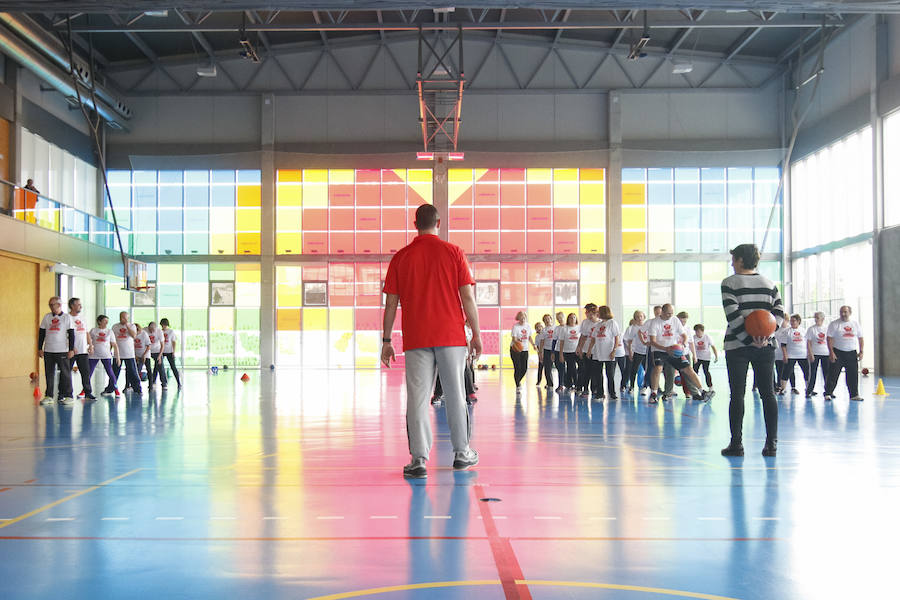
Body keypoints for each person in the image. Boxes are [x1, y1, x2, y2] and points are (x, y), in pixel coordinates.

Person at [381, 203, 481, 479]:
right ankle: (462, 453)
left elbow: (391, 304)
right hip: (451, 336)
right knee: (456, 395)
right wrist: (477, 333)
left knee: (418, 398)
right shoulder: (454, 253)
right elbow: (467, 297)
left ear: (415, 224)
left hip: (417, 338)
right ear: (439, 222)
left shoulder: (401, 257)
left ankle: (418, 459)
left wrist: (386, 340)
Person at [720, 243, 784, 458]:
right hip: (765, 347)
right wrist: (766, 337)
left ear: (739, 260)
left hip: (737, 347)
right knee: (768, 394)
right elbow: (779, 315)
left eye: (733, 259)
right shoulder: (770, 283)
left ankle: (736, 445)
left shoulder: (729, 283)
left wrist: (749, 339)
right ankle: (771, 445)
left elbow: (732, 315)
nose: (731, 263)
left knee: (737, 394)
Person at [647, 304, 714, 405]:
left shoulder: (675, 320)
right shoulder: (655, 322)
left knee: (688, 369)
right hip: (659, 350)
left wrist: (682, 344)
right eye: (668, 313)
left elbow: (684, 335)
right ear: (663, 312)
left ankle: (702, 392)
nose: (670, 315)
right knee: (658, 369)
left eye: (672, 313)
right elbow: (652, 341)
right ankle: (653, 394)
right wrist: (666, 348)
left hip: (674, 350)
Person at [37, 296, 75, 405]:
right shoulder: (47, 317)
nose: (50, 307)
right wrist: (40, 348)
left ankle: (68, 395)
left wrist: (71, 349)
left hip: (62, 350)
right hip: (49, 350)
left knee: (65, 373)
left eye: (52, 304)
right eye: (49, 305)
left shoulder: (67, 318)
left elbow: (71, 334)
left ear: (59, 305)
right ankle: (49, 395)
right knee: (49, 373)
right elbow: (41, 333)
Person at [825, 305, 864, 401]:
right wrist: (831, 352)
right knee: (833, 374)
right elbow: (829, 338)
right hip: (838, 352)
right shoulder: (834, 324)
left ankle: (854, 395)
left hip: (851, 353)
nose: (843, 314)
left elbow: (860, 338)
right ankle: (828, 393)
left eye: (845, 312)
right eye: (841, 312)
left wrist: (861, 351)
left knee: (853, 375)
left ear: (850, 313)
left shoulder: (855, 324)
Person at [585, 305, 620, 400]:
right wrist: (589, 350)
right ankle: (600, 393)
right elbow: (593, 339)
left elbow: (617, 337)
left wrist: (614, 350)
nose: (597, 314)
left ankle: (612, 393)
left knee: (610, 374)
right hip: (597, 353)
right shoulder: (598, 325)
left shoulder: (612, 323)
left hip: (608, 352)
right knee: (598, 374)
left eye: (598, 312)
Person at [67, 297, 95, 401]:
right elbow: (65, 335)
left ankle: (88, 392)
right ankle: (65, 394)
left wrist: (90, 345)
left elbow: (86, 332)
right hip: (71, 351)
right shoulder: (67, 318)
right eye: (78, 304)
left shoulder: (83, 318)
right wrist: (71, 347)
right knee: (66, 373)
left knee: (85, 372)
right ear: (72, 306)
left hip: (83, 351)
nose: (80, 306)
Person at [112, 311, 142, 396]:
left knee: (132, 371)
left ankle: (137, 388)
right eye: (121, 317)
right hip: (118, 354)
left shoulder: (132, 326)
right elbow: (112, 339)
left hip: (129, 354)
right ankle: (111, 388)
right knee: (114, 372)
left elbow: (134, 336)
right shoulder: (115, 326)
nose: (123, 319)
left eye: (125, 318)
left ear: (127, 318)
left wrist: (127, 326)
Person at [88, 315, 119, 396]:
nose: (106, 323)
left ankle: (116, 389)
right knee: (89, 373)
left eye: (107, 321)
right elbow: (88, 339)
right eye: (105, 321)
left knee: (110, 372)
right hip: (94, 355)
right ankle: (84, 390)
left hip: (106, 355)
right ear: (99, 321)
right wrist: (90, 346)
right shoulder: (93, 330)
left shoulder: (109, 331)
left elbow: (114, 345)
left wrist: (118, 357)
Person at [779, 314, 809, 395]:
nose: (792, 322)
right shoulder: (786, 332)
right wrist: (785, 355)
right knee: (787, 371)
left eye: (794, 320)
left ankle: (808, 388)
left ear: (798, 321)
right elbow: (783, 345)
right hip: (791, 355)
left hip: (803, 355)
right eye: (791, 321)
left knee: (806, 371)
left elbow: (808, 343)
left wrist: (809, 353)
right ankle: (783, 388)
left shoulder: (803, 330)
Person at [510, 311, 536, 392]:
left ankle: (518, 380)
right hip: (515, 349)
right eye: (521, 317)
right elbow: (513, 339)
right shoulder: (515, 327)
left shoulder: (528, 326)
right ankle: (517, 384)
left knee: (524, 368)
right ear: (518, 318)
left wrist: (533, 345)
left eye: (524, 317)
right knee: (517, 367)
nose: (523, 318)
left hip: (525, 349)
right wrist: (518, 340)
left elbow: (529, 337)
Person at [805, 311, 829, 397]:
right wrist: (810, 353)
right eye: (815, 318)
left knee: (826, 373)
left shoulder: (827, 329)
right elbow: (808, 342)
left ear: (822, 319)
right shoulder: (811, 329)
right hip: (815, 353)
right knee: (812, 373)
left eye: (817, 318)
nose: (816, 319)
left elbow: (830, 341)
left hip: (826, 353)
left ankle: (828, 391)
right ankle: (809, 391)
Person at [624, 310, 649, 393]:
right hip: (637, 352)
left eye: (641, 316)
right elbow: (629, 341)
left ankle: (644, 387)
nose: (639, 318)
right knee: (634, 370)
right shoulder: (633, 328)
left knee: (648, 370)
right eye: (637, 317)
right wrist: (630, 352)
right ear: (635, 318)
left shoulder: (648, 326)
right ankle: (631, 386)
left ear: (644, 317)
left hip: (647, 352)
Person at [574, 303, 597, 394]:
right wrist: (579, 348)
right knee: (585, 370)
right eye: (587, 313)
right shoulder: (585, 322)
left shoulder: (600, 323)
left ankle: (594, 389)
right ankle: (585, 389)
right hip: (585, 350)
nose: (589, 315)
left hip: (596, 351)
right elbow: (583, 336)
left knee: (595, 371)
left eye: (591, 313)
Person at [558, 313, 580, 391]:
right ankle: (573, 384)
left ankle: (578, 384)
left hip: (577, 351)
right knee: (571, 368)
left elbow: (582, 339)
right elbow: (561, 342)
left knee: (581, 368)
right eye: (570, 318)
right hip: (568, 351)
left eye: (574, 317)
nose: (572, 319)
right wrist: (561, 354)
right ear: (568, 319)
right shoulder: (564, 328)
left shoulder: (579, 328)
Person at [691, 324, 718, 389]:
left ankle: (710, 386)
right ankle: (695, 387)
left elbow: (713, 347)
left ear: (702, 331)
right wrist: (694, 356)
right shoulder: (693, 337)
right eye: (696, 331)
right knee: (694, 372)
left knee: (706, 371)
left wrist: (716, 356)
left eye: (699, 331)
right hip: (697, 357)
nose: (697, 333)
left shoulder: (707, 337)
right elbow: (692, 347)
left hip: (706, 357)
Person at [160, 318, 182, 389]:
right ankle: (160, 382)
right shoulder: (160, 331)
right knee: (158, 367)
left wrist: (173, 352)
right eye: (162, 325)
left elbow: (174, 342)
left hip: (169, 351)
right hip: (162, 351)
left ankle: (178, 382)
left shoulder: (171, 331)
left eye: (165, 325)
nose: (163, 326)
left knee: (173, 367)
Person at [146, 321, 167, 389]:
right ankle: (151, 382)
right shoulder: (144, 330)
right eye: (150, 330)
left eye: (153, 330)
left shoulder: (159, 332)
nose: (151, 331)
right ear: (148, 327)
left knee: (160, 366)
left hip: (157, 350)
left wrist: (160, 356)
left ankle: (164, 383)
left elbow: (162, 345)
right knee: (147, 367)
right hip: (148, 350)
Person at [539, 313, 556, 390]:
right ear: (544, 321)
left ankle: (563, 384)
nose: (547, 320)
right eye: (545, 320)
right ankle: (550, 384)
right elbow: (542, 342)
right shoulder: (544, 330)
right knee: (547, 368)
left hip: (556, 350)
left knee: (560, 368)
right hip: (547, 350)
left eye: (548, 319)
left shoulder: (556, 328)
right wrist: (540, 352)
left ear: (551, 319)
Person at [551, 311, 567, 392]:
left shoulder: (568, 327)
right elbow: (554, 340)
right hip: (558, 350)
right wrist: (553, 352)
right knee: (559, 367)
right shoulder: (557, 328)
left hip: (568, 350)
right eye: (558, 318)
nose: (559, 320)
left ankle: (569, 383)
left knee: (570, 368)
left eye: (561, 318)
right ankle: (561, 384)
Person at [533, 322, 546, 387]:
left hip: (547, 353)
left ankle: (548, 382)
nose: (539, 328)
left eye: (540, 326)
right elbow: (537, 346)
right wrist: (539, 354)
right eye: (537, 327)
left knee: (547, 369)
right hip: (541, 354)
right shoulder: (537, 337)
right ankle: (538, 381)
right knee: (540, 368)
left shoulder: (546, 334)